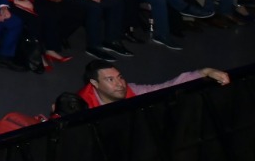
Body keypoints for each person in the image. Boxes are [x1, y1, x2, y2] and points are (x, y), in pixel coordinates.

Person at [77, 59, 231, 107]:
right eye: (110, 80)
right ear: (94, 83)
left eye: (120, 77)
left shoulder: (133, 91)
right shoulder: (80, 106)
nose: (120, 84)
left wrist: (204, 72)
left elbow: (167, 87)